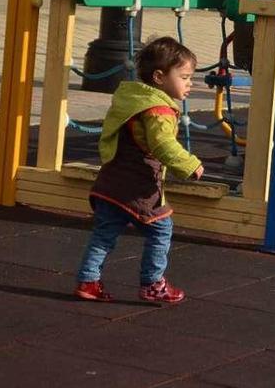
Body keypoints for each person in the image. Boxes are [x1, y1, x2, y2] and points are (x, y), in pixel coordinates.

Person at [74, 37, 204, 303]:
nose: (190, 83)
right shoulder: (158, 110)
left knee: (104, 233)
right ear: (159, 77)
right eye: (184, 77)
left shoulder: (131, 99)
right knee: (161, 230)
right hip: (138, 184)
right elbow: (162, 143)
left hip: (110, 180)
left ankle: (88, 280)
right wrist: (189, 165)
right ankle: (152, 283)